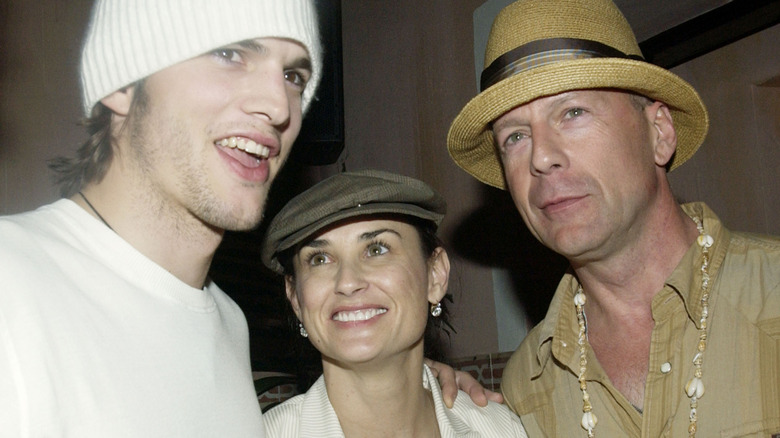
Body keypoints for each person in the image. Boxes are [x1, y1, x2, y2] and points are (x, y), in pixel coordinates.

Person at [446, 0, 780, 436]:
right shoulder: (526, 385)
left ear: (658, 134)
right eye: (515, 136)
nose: (541, 157)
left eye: (573, 112)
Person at [0, 0, 322, 435]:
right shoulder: (12, 286)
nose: (279, 106)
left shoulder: (228, 323)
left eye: (293, 76)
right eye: (229, 53)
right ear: (122, 83)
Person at [260, 169, 528, 437]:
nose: (348, 282)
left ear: (435, 275)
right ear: (295, 298)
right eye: (320, 259)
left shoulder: (499, 429)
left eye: (377, 250)